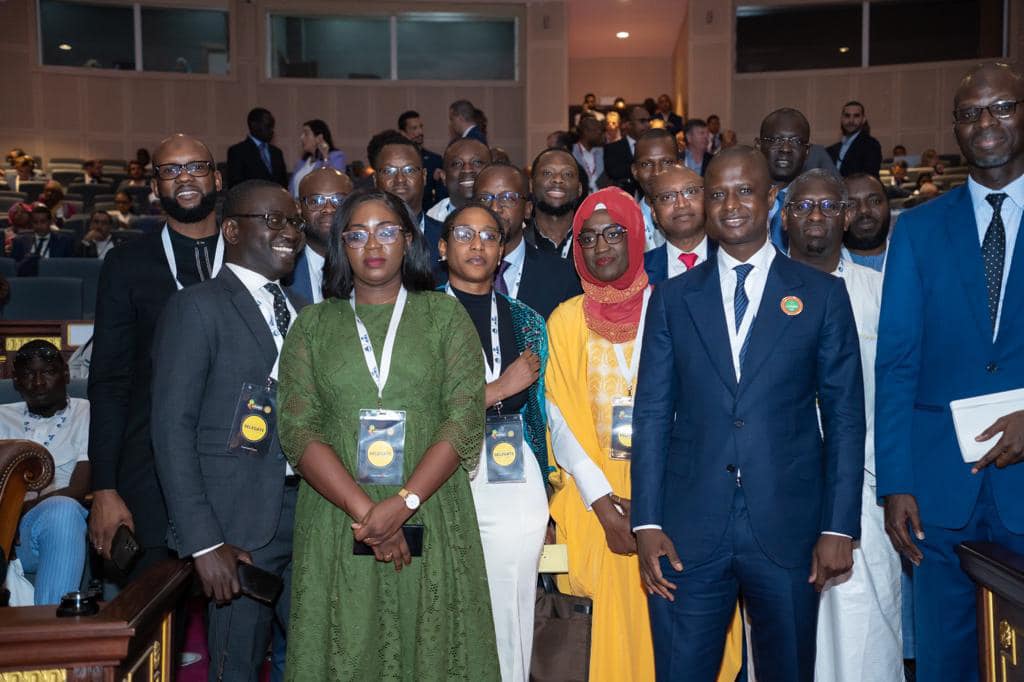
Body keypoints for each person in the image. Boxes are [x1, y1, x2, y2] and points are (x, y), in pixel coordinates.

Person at [631, 147, 864, 682]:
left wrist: (838, 526)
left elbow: (846, 416)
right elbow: (650, 414)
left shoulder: (823, 296)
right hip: (687, 532)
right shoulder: (670, 299)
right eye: (717, 193)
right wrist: (647, 520)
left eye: (744, 191)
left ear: (771, 199)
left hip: (789, 529)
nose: (731, 204)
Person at [277, 189, 498, 680]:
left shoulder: (444, 317)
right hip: (340, 520)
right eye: (356, 234)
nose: (372, 244)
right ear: (341, 247)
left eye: (386, 230)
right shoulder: (311, 326)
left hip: (433, 511)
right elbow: (297, 428)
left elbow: (463, 419)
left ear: (408, 241)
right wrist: (369, 515)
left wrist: (403, 504)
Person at [544, 187, 735, 682]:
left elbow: (705, 407)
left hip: (677, 498)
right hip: (599, 503)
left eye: (614, 232)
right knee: (614, 645)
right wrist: (603, 503)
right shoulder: (564, 320)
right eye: (588, 237)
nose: (602, 245)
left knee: (682, 635)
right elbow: (559, 418)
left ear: (635, 235)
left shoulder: (675, 304)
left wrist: (658, 502)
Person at [876, 62, 1024, 682]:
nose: (985, 124)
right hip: (938, 490)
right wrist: (895, 482)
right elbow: (897, 360)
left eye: (1001, 108)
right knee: (944, 660)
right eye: (969, 114)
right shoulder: (916, 230)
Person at [152, 179, 304, 682]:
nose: (290, 233)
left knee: (313, 662)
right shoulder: (196, 307)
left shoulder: (304, 311)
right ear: (233, 229)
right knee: (235, 668)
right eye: (274, 220)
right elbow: (172, 430)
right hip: (236, 529)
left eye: (295, 222)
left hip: (308, 513)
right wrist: (203, 542)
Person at [781, 169, 902, 682]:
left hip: (865, 491)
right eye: (804, 206)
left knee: (864, 639)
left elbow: (900, 394)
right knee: (785, 639)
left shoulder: (880, 292)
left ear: (847, 216)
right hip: (779, 493)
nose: (816, 217)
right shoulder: (758, 290)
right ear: (783, 216)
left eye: (829, 207)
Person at [87, 134, 225, 580]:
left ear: (217, 177)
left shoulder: (249, 255)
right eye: (170, 170)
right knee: (152, 624)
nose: (184, 177)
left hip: (237, 464)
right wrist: (105, 486)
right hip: (150, 469)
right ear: (155, 187)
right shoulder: (127, 264)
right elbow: (108, 381)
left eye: (196, 167)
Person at [439, 202, 550, 682]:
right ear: (442, 247)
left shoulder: (527, 320)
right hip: (439, 474)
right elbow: (422, 407)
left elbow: (546, 413)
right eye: (464, 234)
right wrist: (501, 388)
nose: (477, 244)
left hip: (513, 479)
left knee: (512, 610)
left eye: (489, 235)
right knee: (443, 607)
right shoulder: (420, 317)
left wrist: (555, 487)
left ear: (502, 250)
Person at [0, 341, 90, 605]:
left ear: (65, 373)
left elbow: (80, 487)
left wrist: (15, 513)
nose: (38, 382)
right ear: (15, 380)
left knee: (62, 509)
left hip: (51, 528)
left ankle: (51, 629)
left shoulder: (86, 412)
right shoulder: (2, 416)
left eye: (48, 372)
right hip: (5, 537)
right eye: (28, 374)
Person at [474, 162, 582, 318]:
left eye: (508, 198)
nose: (495, 207)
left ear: (527, 209)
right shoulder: (454, 273)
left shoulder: (564, 276)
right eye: (484, 198)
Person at [370, 133, 445, 280]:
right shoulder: (362, 241)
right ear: (375, 179)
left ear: (424, 177)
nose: (400, 179)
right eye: (389, 171)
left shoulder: (447, 237)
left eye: (409, 170)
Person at [643, 164, 714, 283]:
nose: (681, 204)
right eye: (667, 197)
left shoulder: (732, 256)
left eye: (691, 191)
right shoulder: (640, 271)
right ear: (654, 213)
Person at [292, 168, 353, 305]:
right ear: (298, 208)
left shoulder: (369, 261)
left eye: (339, 200)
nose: (329, 209)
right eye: (316, 201)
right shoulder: (285, 270)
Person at [755, 108, 812, 250]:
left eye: (796, 141)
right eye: (776, 140)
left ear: (807, 151)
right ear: (758, 145)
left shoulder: (819, 207)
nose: (785, 149)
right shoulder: (739, 199)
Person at [525, 148, 583, 258]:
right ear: (531, 185)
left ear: (579, 189)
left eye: (568, 174)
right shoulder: (516, 244)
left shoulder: (592, 245)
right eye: (547, 173)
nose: (558, 179)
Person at [631, 129, 680, 251]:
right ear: (635, 171)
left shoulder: (701, 221)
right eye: (646, 164)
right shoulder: (625, 224)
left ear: (681, 166)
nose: (657, 172)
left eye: (667, 162)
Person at [426, 138, 491, 222]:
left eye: (477, 162)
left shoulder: (505, 217)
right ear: (443, 176)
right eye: (457, 164)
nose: (467, 170)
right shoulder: (429, 222)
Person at [226, 107, 288, 188]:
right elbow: (235, 186)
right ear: (254, 125)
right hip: (250, 200)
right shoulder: (237, 152)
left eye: (272, 127)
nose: (272, 131)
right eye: (268, 126)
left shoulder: (277, 153)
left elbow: (284, 185)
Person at [843, 173, 891, 271]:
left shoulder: (917, 258)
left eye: (875, 201)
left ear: (889, 205)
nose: (864, 210)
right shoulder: (823, 269)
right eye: (850, 204)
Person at [398, 110, 446, 209]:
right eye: (414, 128)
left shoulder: (435, 160)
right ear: (403, 133)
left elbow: (441, 197)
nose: (420, 132)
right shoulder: (398, 161)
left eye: (421, 127)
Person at [288, 119, 346, 198]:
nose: (301, 137)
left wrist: (325, 156)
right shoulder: (301, 162)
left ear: (319, 138)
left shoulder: (336, 156)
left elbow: (334, 181)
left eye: (306, 133)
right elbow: (291, 189)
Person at [12, 204, 73, 275]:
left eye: (43, 222)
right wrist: (25, 261)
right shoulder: (20, 241)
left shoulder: (64, 242)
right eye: (35, 222)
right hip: (27, 281)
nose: (39, 226)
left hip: (54, 280)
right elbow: (13, 268)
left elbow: (69, 268)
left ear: (50, 222)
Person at [827, 101, 883, 177]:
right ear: (842, 119)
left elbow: (870, 177)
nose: (851, 120)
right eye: (847, 116)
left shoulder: (871, 145)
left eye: (856, 116)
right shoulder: (831, 150)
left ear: (863, 119)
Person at [604, 106, 651, 195]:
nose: (647, 125)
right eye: (642, 121)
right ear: (629, 124)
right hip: (622, 200)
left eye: (648, 121)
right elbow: (615, 172)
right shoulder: (613, 148)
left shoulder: (654, 147)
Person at [573, 115, 605, 194]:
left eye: (600, 130)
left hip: (601, 201)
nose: (600, 133)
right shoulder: (572, 152)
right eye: (596, 130)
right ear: (585, 132)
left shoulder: (603, 152)